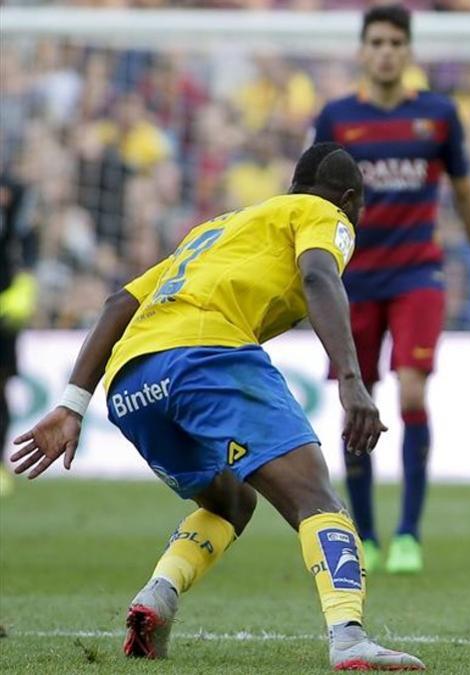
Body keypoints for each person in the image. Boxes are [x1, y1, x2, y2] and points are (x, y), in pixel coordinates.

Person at [11, 143, 426, 671]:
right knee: (315, 499)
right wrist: (351, 378)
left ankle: (156, 599)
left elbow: (120, 303)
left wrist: (72, 405)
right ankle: (348, 637)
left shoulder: (215, 230)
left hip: (132, 383)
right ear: (350, 199)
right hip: (208, 354)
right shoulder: (324, 214)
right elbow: (320, 277)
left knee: (231, 501)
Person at [310, 4, 470, 575]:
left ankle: (409, 535)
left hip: (419, 273)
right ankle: (364, 533)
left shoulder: (439, 116)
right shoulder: (337, 119)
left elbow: (466, 197)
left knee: (412, 392)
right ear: (362, 51)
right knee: (357, 398)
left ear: (409, 50)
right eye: (377, 42)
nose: (387, 51)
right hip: (354, 279)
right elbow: (308, 204)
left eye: (396, 42)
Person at [0, 170, 36, 498]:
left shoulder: (16, 187)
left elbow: (27, 242)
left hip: (3, 310)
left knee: (1, 387)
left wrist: (23, 288)